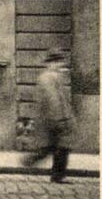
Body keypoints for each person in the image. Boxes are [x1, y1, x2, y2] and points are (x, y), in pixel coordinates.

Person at [22, 49, 72, 183]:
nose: (61, 65)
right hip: (54, 119)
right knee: (61, 147)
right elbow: (54, 100)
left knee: (55, 148)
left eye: (61, 62)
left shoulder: (51, 77)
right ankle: (33, 163)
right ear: (51, 63)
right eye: (58, 62)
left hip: (53, 119)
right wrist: (60, 119)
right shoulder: (48, 77)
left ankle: (33, 162)